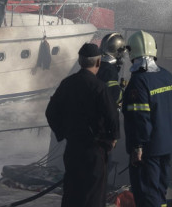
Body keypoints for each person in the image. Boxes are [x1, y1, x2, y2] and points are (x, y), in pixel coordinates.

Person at [45, 43, 120, 207]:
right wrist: (113, 138)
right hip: (95, 150)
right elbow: (112, 115)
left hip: (72, 148)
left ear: (80, 61)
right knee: (93, 193)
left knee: (72, 190)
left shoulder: (67, 83)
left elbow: (51, 112)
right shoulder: (99, 87)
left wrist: (63, 132)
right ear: (98, 63)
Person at [122, 31, 172, 207]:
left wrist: (138, 146)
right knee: (161, 192)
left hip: (147, 151)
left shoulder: (138, 81)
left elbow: (140, 118)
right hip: (165, 145)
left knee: (147, 194)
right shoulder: (168, 76)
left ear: (132, 54)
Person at [97, 32, 126, 110]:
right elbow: (115, 96)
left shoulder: (98, 64)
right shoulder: (110, 70)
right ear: (118, 52)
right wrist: (122, 90)